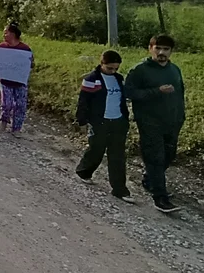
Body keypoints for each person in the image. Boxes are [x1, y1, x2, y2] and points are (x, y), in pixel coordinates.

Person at [125, 34, 185, 214]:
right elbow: (129, 92)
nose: (161, 52)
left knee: (169, 155)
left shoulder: (174, 69)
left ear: (171, 52)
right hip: (150, 121)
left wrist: (181, 116)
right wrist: (156, 91)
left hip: (172, 122)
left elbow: (180, 94)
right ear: (150, 48)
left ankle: (150, 180)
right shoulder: (140, 70)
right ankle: (160, 198)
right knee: (155, 157)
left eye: (166, 49)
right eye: (157, 48)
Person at [75, 50, 134, 203]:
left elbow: (123, 99)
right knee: (96, 149)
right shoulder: (91, 80)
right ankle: (84, 171)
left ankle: (120, 189)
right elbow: (83, 101)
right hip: (100, 121)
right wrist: (82, 120)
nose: (113, 71)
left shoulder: (119, 79)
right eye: (110, 68)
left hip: (118, 121)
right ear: (102, 64)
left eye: (116, 68)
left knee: (118, 155)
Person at [0, 22, 33, 136]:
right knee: (7, 103)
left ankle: (17, 128)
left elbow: (31, 64)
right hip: (5, 81)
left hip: (20, 82)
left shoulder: (24, 49)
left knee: (20, 105)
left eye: (6, 32)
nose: (4, 35)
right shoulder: (2, 47)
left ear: (13, 34)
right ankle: (4, 120)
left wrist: (30, 62)